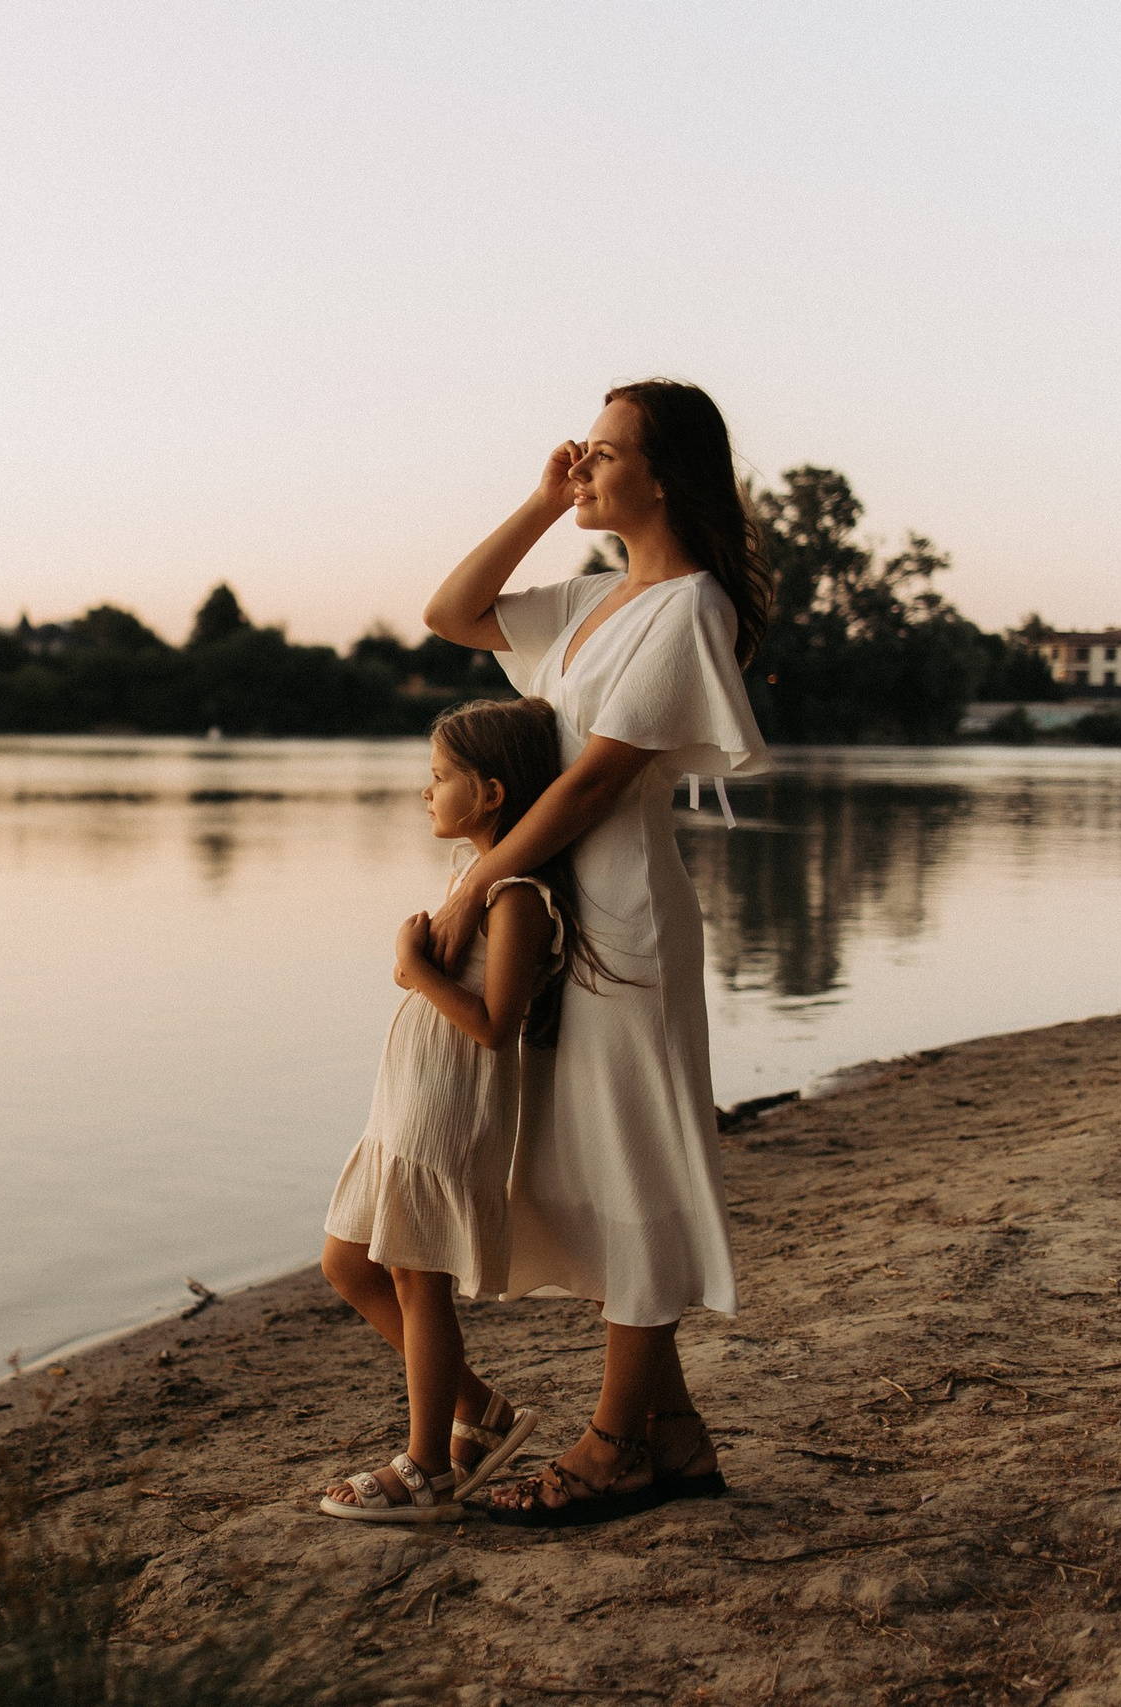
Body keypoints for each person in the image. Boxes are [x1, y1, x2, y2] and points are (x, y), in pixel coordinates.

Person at [419, 378, 774, 1526]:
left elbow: (595, 777)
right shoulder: (593, 601)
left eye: (603, 453)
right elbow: (450, 611)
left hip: (627, 926)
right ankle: (670, 1435)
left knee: (635, 1166)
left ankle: (615, 1440)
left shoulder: (690, 609)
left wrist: (478, 879)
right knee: (595, 1162)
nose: (583, 467)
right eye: (579, 451)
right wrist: (537, 498)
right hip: (569, 921)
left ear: (661, 475)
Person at [316, 697, 616, 1522]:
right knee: (348, 1263)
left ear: (489, 792)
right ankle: (480, 1414)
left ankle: (427, 1468)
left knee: (418, 1278)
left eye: (439, 776)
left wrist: (416, 969)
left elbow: (494, 1024)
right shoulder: (470, 880)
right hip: (406, 1104)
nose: (426, 791)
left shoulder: (515, 893)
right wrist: (418, 965)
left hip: (451, 1109)